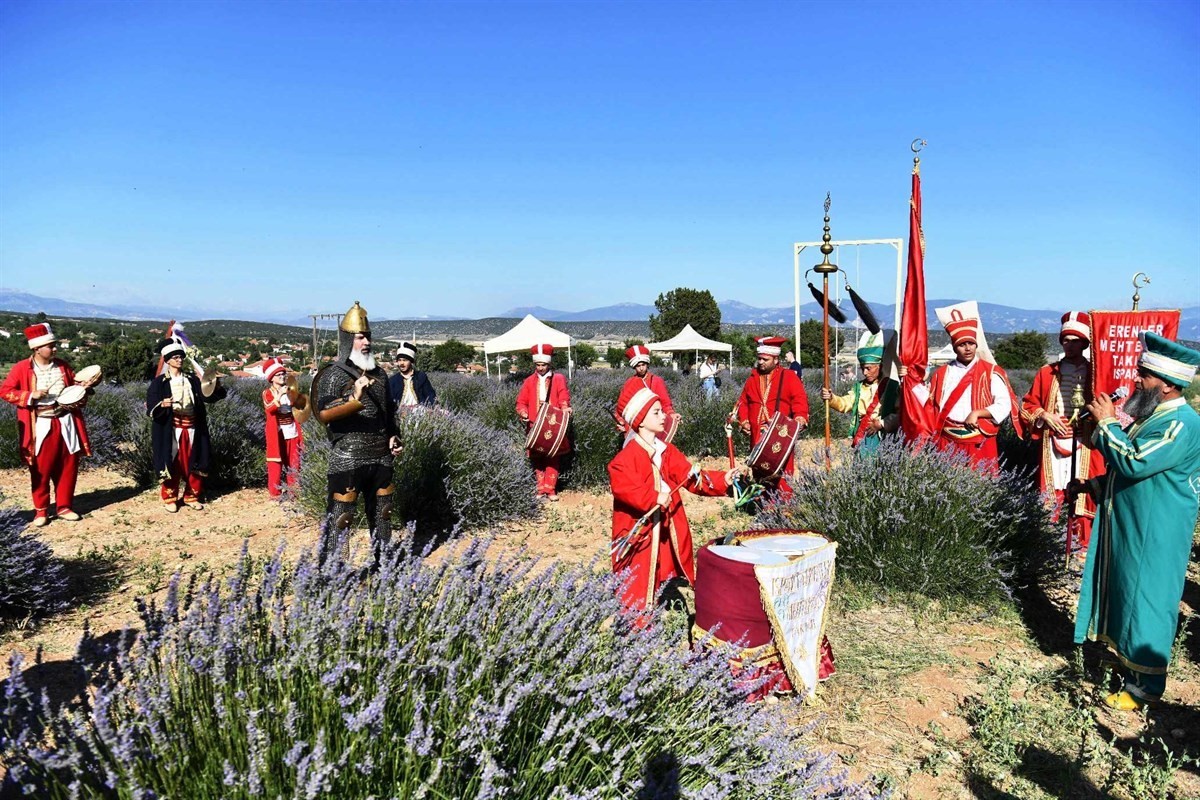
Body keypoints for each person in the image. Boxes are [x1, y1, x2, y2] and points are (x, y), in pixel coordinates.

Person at [1073, 332, 1200, 710]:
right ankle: (1128, 665)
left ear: (1165, 385)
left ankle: (1145, 686)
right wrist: (1094, 448)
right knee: (1129, 592)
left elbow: (1135, 461)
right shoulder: (1155, 414)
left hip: (1156, 530)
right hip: (1134, 524)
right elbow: (1126, 455)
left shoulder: (1181, 424)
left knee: (1149, 600)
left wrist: (1108, 424)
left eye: (1144, 375)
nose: (1136, 381)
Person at [609, 387, 739, 618]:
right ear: (640, 420)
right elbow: (623, 488)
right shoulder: (626, 457)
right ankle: (635, 629)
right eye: (657, 413)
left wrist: (723, 480)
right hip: (640, 532)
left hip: (666, 526)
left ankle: (652, 609)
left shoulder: (666, 450)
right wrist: (653, 497)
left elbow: (691, 477)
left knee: (657, 569)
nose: (664, 417)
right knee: (637, 578)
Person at [312, 302, 403, 560]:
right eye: (360, 337)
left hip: (381, 455)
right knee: (342, 517)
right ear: (348, 340)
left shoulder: (381, 375)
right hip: (349, 454)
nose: (366, 342)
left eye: (368, 337)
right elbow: (323, 413)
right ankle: (334, 573)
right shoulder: (334, 374)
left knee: (383, 513)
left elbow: (388, 412)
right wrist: (355, 396)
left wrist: (394, 436)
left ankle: (383, 565)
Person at [1020, 312, 1106, 551]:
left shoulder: (1095, 374)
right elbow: (1028, 405)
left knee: (1083, 491)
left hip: (1086, 441)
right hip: (1054, 442)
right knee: (1054, 492)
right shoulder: (1047, 372)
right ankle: (1049, 546)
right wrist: (1044, 416)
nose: (1070, 345)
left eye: (1075, 340)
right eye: (1066, 340)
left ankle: (1082, 545)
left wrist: (1088, 421)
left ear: (1084, 343)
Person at [898, 308, 1022, 471]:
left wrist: (978, 413)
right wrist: (908, 380)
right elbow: (929, 402)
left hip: (979, 439)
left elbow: (1003, 404)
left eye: (971, 343)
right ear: (955, 347)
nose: (968, 348)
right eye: (962, 344)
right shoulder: (942, 373)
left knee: (981, 486)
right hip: (947, 440)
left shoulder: (991, 372)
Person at [0, 323, 99, 526]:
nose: (55, 349)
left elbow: (74, 392)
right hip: (41, 424)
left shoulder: (63, 366)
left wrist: (84, 389)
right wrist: (30, 395)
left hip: (65, 421)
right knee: (41, 467)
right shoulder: (21, 368)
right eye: (51, 346)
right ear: (37, 348)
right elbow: (5, 391)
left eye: (54, 346)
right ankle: (41, 510)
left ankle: (64, 506)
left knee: (68, 465)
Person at [147, 337, 226, 512]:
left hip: (193, 427)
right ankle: (170, 498)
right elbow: (151, 405)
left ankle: (192, 496)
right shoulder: (159, 383)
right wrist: (162, 405)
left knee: (195, 462)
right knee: (172, 462)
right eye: (175, 357)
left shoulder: (192, 380)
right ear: (167, 360)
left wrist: (216, 387)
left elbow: (206, 397)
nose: (179, 360)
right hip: (172, 428)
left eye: (181, 357)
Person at [736, 336, 809, 494]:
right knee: (760, 474)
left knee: (783, 473)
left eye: (765, 359)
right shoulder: (752, 379)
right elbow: (743, 403)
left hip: (780, 435)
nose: (761, 362)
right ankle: (763, 508)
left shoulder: (789, 377)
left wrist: (800, 416)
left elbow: (799, 399)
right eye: (759, 359)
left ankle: (784, 511)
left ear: (776, 360)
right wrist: (744, 421)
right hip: (757, 436)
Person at [819, 331, 899, 454]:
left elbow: (901, 414)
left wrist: (882, 424)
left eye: (868, 368)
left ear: (880, 366)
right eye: (862, 368)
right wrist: (831, 398)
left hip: (883, 438)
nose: (865, 372)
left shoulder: (892, 387)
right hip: (862, 435)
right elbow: (846, 403)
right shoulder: (859, 387)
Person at [516, 343, 572, 501]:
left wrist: (565, 407)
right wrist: (523, 412)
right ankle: (541, 488)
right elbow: (521, 402)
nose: (540, 368)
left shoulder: (559, 379)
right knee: (537, 456)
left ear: (549, 364)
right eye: (538, 364)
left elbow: (563, 395)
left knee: (553, 455)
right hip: (534, 423)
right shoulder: (528, 381)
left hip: (553, 423)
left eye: (543, 364)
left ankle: (551, 489)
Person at [615, 344, 679, 439]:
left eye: (643, 365)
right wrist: (621, 422)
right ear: (634, 367)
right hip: (636, 426)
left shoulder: (657, 381)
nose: (641, 368)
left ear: (647, 364)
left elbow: (665, 403)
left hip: (654, 424)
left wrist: (672, 414)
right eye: (638, 366)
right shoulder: (629, 383)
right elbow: (622, 407)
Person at [262, 358, 304, 498]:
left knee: (294, 461)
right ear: (272, 378)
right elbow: (269, 409)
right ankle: (275, 493)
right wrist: (279, 395)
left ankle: (294, 491)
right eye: (279, 375)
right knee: (275, 462)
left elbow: (298, 408)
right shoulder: (267, 393)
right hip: (277, 432)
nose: (282, 377)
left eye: (283, 374)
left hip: (291, 430)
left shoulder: (290, 391)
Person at [388, 341, 436, 413]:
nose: (401, 363)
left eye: (405, 360)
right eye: (399, 360)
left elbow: (430, 394)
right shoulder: (393, 380)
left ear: (411, 362)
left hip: (421, 411)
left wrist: (434, 408)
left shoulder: (420, 377)